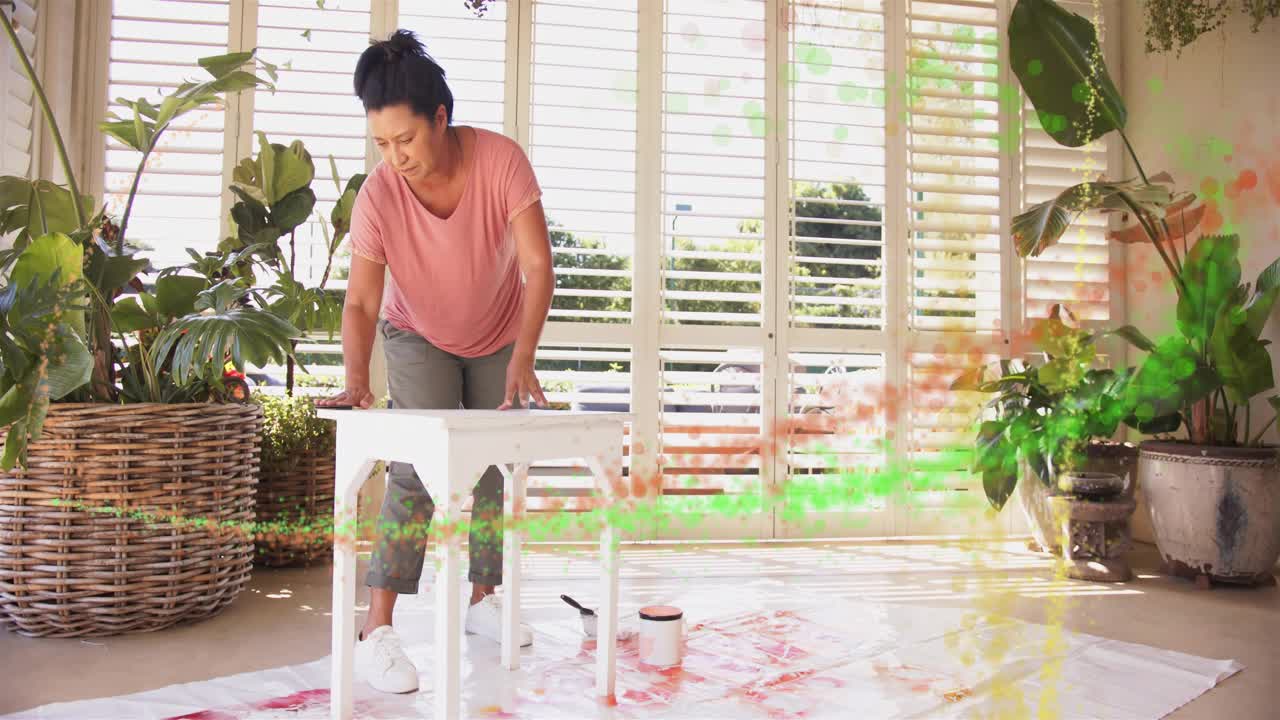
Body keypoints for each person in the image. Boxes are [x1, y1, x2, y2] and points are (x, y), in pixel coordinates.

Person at [317, 29, 553, 694]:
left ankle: (483, 601)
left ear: (440, 118)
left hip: (499, 329)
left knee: (492, 470)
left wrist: (524, 355)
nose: (396, 158)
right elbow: (362, 302)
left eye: (406, 141)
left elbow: (537, 264)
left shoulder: (501, 162)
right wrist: (357, 379)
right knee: (414, 472)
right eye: (382, 145)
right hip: (416, 332)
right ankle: (378, 627)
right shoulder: (380, 195)